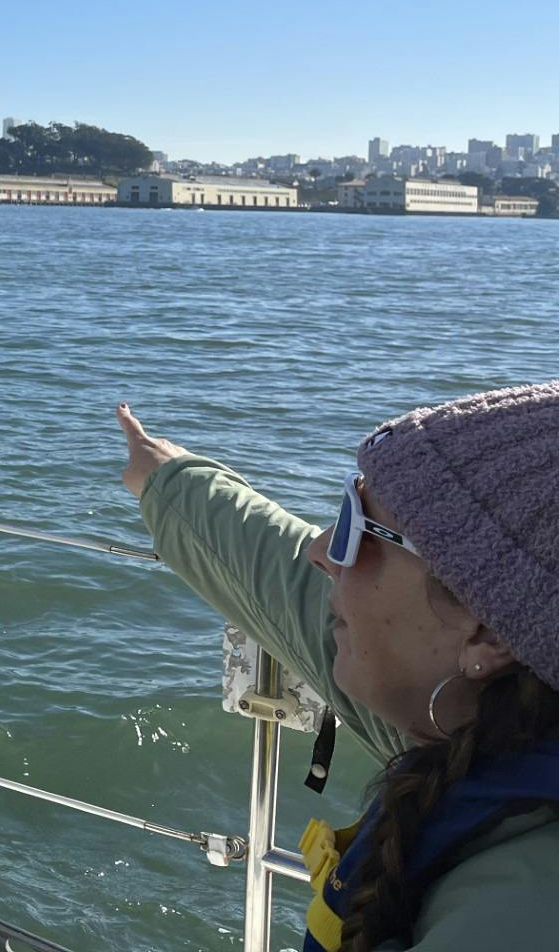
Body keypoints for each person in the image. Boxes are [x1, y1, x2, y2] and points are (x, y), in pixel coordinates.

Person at [115, 393, 559, 952]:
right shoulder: (490, 715)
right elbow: (288, 590)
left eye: (356, 528)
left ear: (488, 631)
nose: (321, 550)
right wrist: (170, 482)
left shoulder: (522, 910)